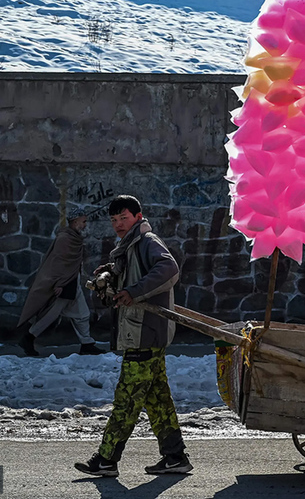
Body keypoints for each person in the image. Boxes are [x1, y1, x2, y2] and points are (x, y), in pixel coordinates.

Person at [74, 195, 192, 477]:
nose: (118, 224)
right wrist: (109, 274)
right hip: (143, 333)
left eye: (123, 218)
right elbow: (130, 276)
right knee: (157, 399)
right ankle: (175, 456)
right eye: (114, 220)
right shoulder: (127, 247)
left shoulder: (148, 241)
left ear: (138, 217)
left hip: (145, 333)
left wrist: (134, 291)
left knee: (127, 399)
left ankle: (106, 460)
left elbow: (169, 269)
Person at [17, 207, 104, 356]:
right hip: (64, 284)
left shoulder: (73, 237)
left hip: (71, 281)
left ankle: (87, 343)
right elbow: (58, 263)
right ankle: (28, 337)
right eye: (83, 221)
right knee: (50, 315)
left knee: (82, 314)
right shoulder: (64, 238)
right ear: (75, 221)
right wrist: (59, 284)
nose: (84, 225)